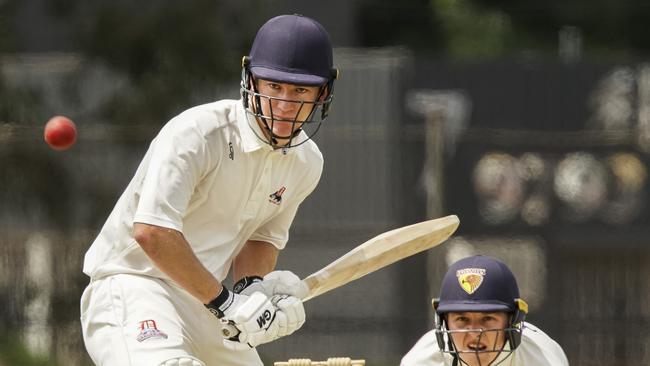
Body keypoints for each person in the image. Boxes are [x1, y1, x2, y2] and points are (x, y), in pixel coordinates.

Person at [80, 14, 338, 366]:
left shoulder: (307, 161)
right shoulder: (198, 133)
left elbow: (261, 237)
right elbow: (153, 231)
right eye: (273, 87)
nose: (283, 105)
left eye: (300, 90)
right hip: (135, 284)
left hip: (206, 300)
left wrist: (252, 290)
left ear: (323, 92)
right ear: (251, 80)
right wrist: (228, 303)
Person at [401, 255, 569, 366]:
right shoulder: (421, 361)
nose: (475, 333)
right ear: (444, 322)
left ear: (513, 321)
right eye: (462, 320)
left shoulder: (542, 361)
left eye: (487, 318)